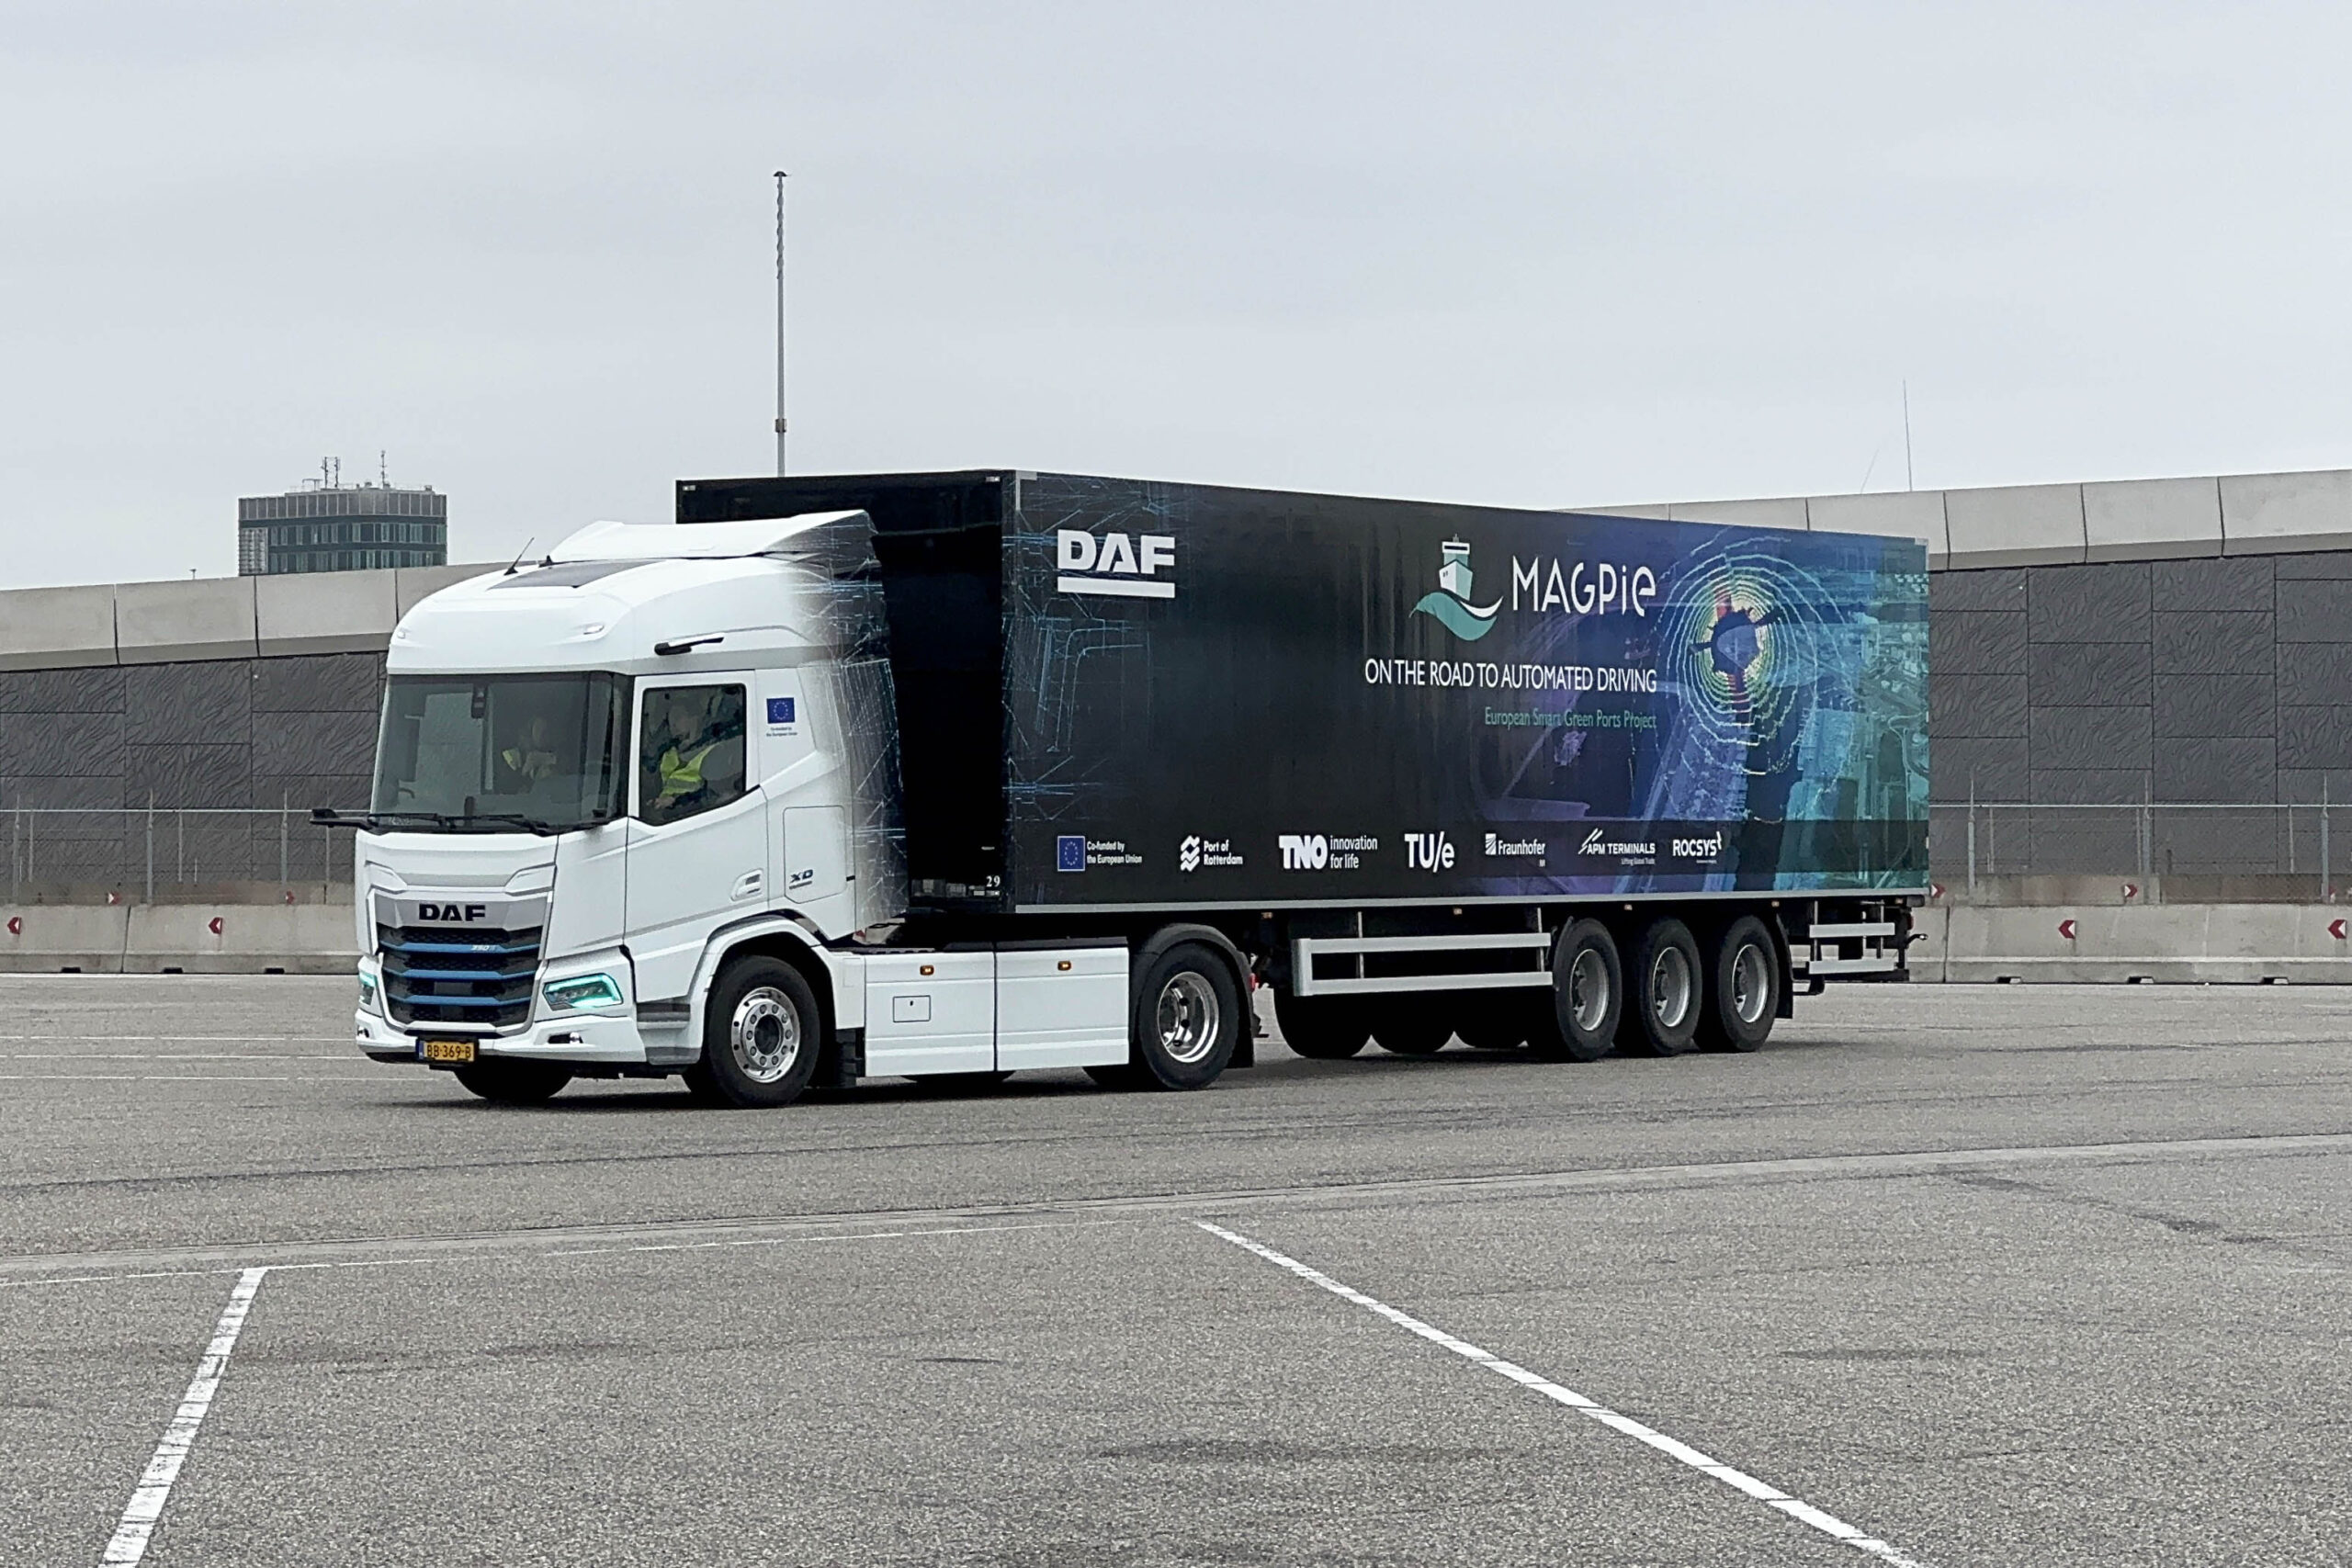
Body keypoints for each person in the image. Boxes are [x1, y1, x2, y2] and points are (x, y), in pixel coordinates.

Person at [499, 715, 560, 784]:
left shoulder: (557, 754)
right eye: (538, 729)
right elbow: (507, 785)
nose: (541, 734)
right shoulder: (512, 756)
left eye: (545, 731)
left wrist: (551, 760)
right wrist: (526, 770)